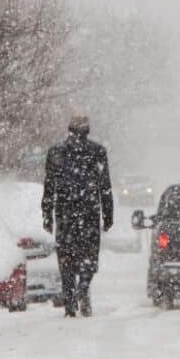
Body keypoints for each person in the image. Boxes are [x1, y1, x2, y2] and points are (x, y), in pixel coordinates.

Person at [42, 115, 113, 317]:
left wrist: (47, 214)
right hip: (89, 211)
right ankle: (83, 285)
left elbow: (49, 186)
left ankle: (70, 305)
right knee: (89, 256)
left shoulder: (56, 152)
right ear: (87, 130)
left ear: (69, 130)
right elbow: (105, 187)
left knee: (66, 260)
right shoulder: (97, 152)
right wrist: (108, 215)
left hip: (64, 213)